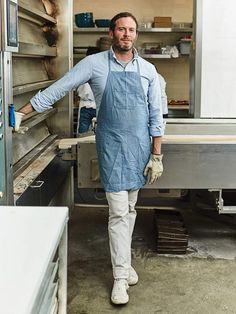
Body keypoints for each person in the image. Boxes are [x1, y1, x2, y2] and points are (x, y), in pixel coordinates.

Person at [16, 12, 165, 305]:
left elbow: (156, 116)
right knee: (119, 212)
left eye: (131, 30)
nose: (126, 34)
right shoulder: (94, 64)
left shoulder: (148, 70)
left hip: (138, 149)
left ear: (136, 34)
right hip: (111, 147)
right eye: (121, 29)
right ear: (112, 33)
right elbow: (60, 88)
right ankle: (121, 277)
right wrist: (23, 111)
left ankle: (125, 263)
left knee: (131, 209)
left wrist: (156, 154)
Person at [76, 47, 100, 135]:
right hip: (99, 105)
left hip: (85, 106)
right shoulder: (102, 70)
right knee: (99, 134)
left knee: (83, 133)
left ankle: (82, 148)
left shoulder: (81, 69)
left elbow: (75, 88)